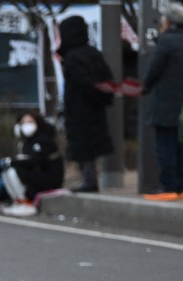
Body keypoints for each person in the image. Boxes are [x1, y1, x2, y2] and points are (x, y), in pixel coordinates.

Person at [141, 3, 183, 201]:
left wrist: (144, 87)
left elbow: (153, 71)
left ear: (168, 21)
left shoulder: (166, 43)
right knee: (182, 148)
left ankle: (168, 187)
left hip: (165, 103)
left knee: (165, 146)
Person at [57, 16, 114, 193]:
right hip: (97, 108)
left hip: (80, 108)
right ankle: (90, 180)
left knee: (83, 145)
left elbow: (82, 82)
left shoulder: (73, 57)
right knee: (92, 143)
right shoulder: (94, 53)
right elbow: (107, 77)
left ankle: (89, 181)